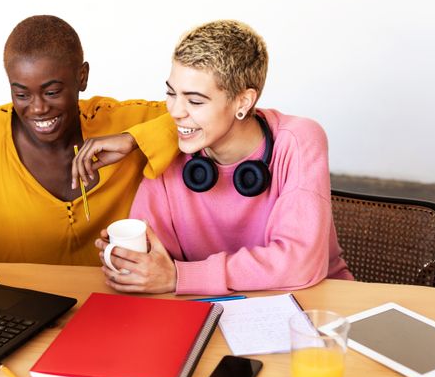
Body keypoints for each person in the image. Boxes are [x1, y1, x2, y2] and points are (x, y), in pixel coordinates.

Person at [0, 15, 178, 285]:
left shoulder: (125, 121)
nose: (37, 108)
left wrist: (133, 139)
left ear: (82, 76)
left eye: (52, 92)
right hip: (15, 305)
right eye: (22, 94)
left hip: (114, 300)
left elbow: (204, 115)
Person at [96, 19, 353, 295]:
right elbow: (157, 257)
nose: (175, 111)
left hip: (317, 303)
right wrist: (133, 259)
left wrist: (182, 276)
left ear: (243, 102)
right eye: (171, 93)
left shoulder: (299, 140)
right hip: (204, 305)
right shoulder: (172, 145)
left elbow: (300, 262)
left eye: (195, 101)